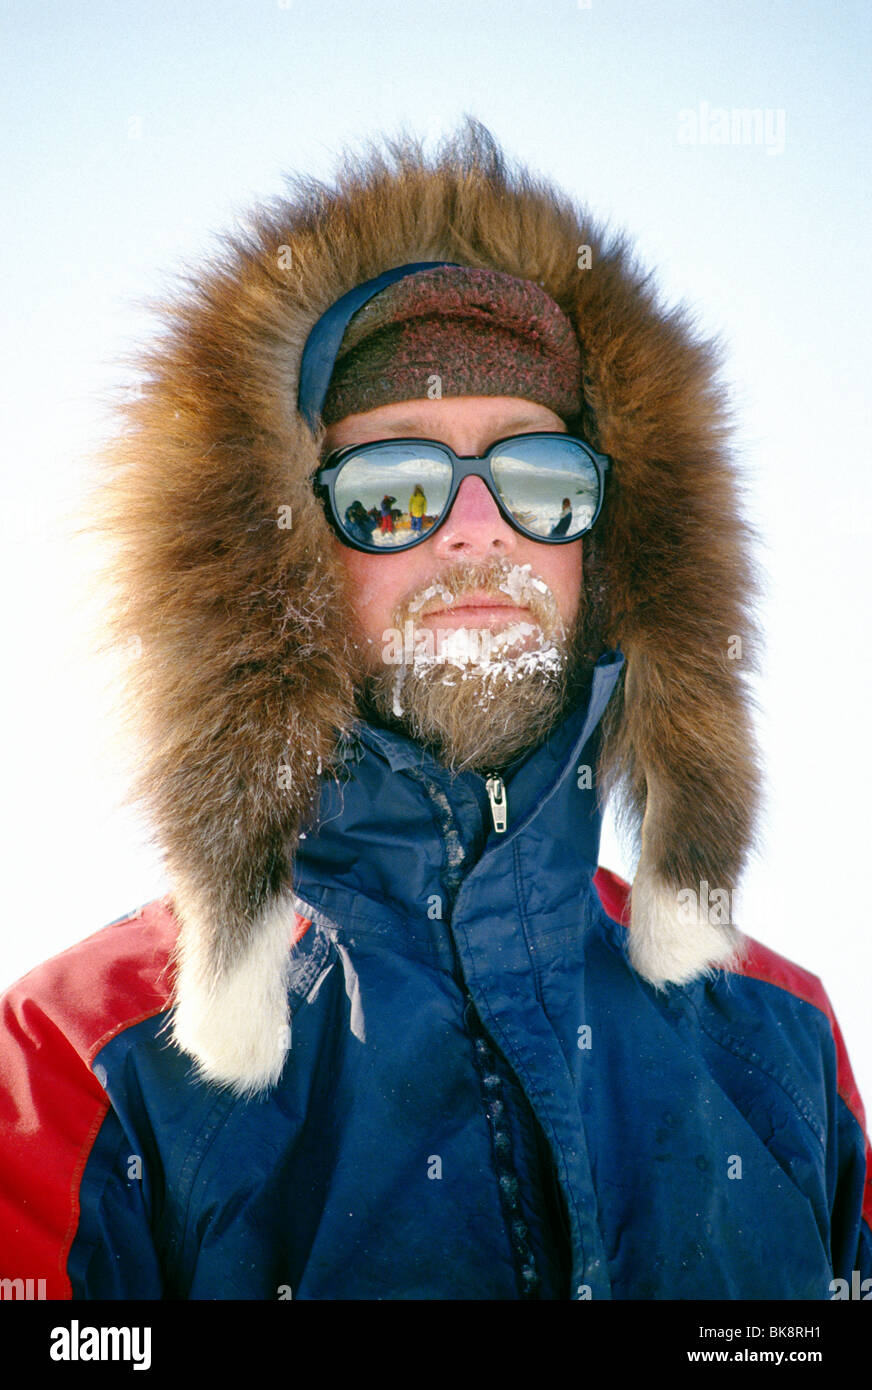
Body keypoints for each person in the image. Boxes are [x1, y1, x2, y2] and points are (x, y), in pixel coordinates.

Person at [1, 123, 869, 1301]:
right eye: (394, 490)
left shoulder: (781, 1044)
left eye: (541, 479)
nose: (478, 530)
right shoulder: (83, 1061)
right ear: (282, 563)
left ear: (609, 553)